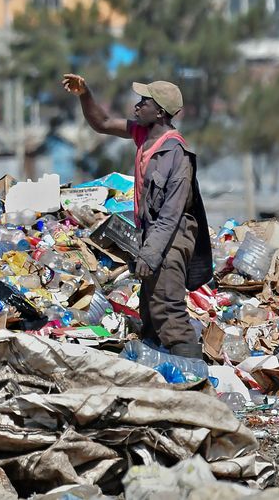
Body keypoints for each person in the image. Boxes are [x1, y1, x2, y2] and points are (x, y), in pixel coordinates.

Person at [61, 73, 212, 359]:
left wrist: (150, 255)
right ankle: (162, 377)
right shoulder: (143, 134)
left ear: (160, 112)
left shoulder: (176, 154)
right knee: (151, 315)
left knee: (168, 312)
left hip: (171, 240)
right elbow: (102, 123)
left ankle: (196, 381)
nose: (137, 106)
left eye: (144, 102)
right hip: (155, 237)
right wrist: (85, 92)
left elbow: (172, 213)